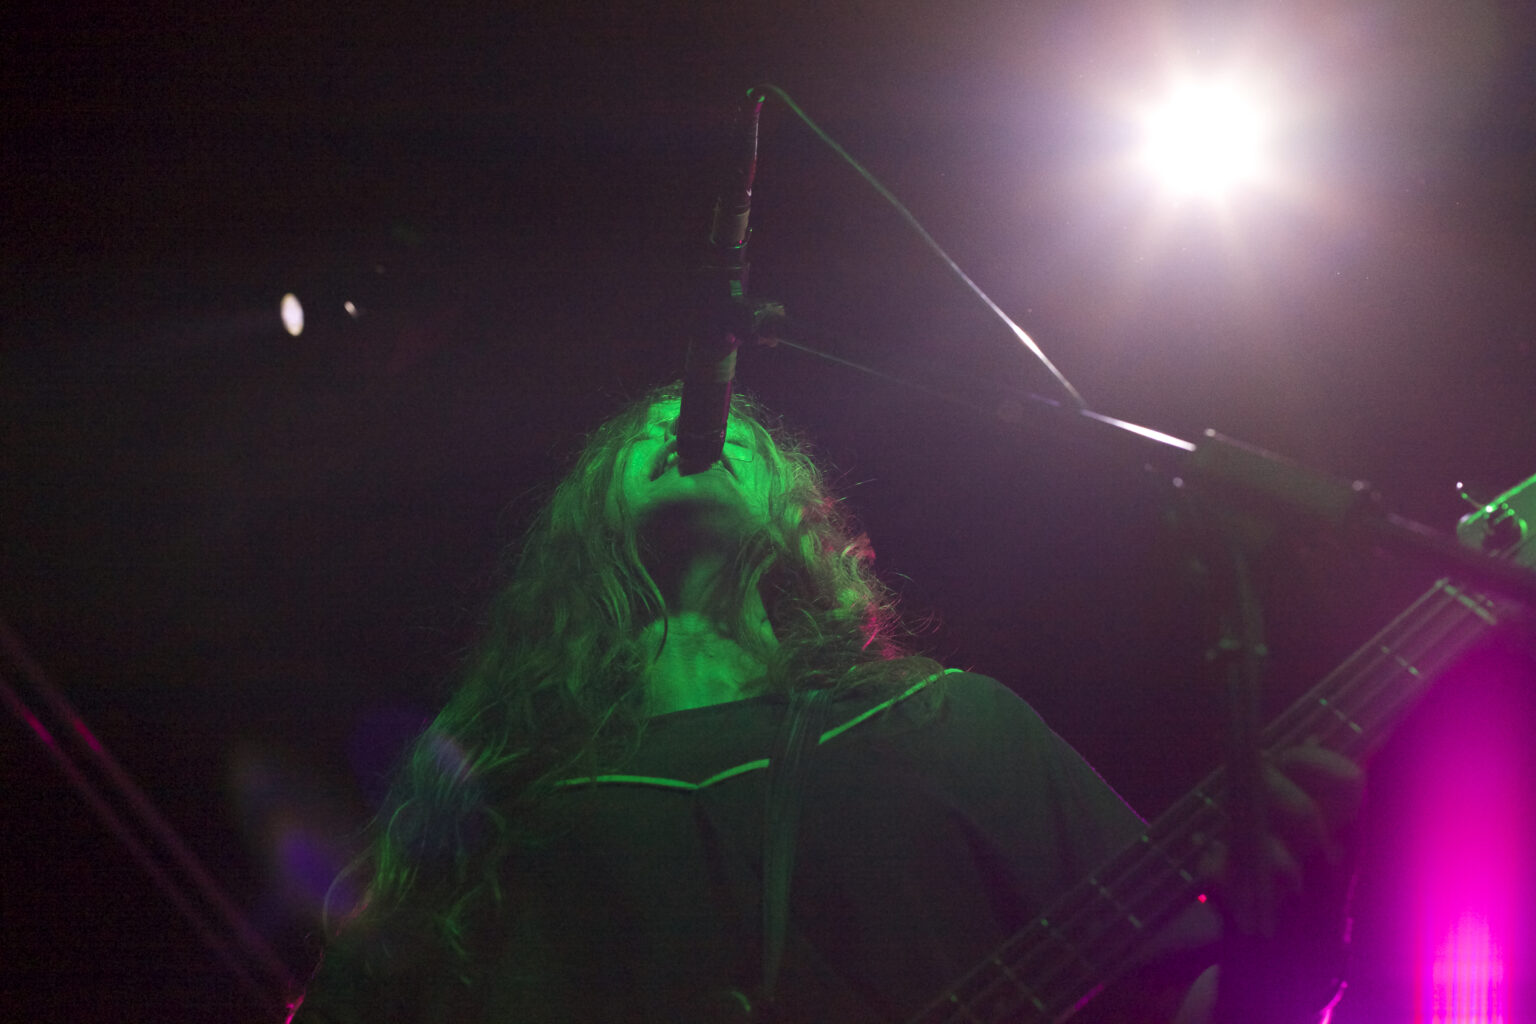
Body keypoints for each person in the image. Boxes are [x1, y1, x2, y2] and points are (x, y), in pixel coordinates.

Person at [289, 383, 1362, 1023]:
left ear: (796, 515)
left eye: (733, 431)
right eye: (647, 427)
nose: (691, 422)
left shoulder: (953, 726)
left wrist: (1302, 933)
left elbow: (1188, 1005)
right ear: (586, 514)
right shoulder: (480, 779)